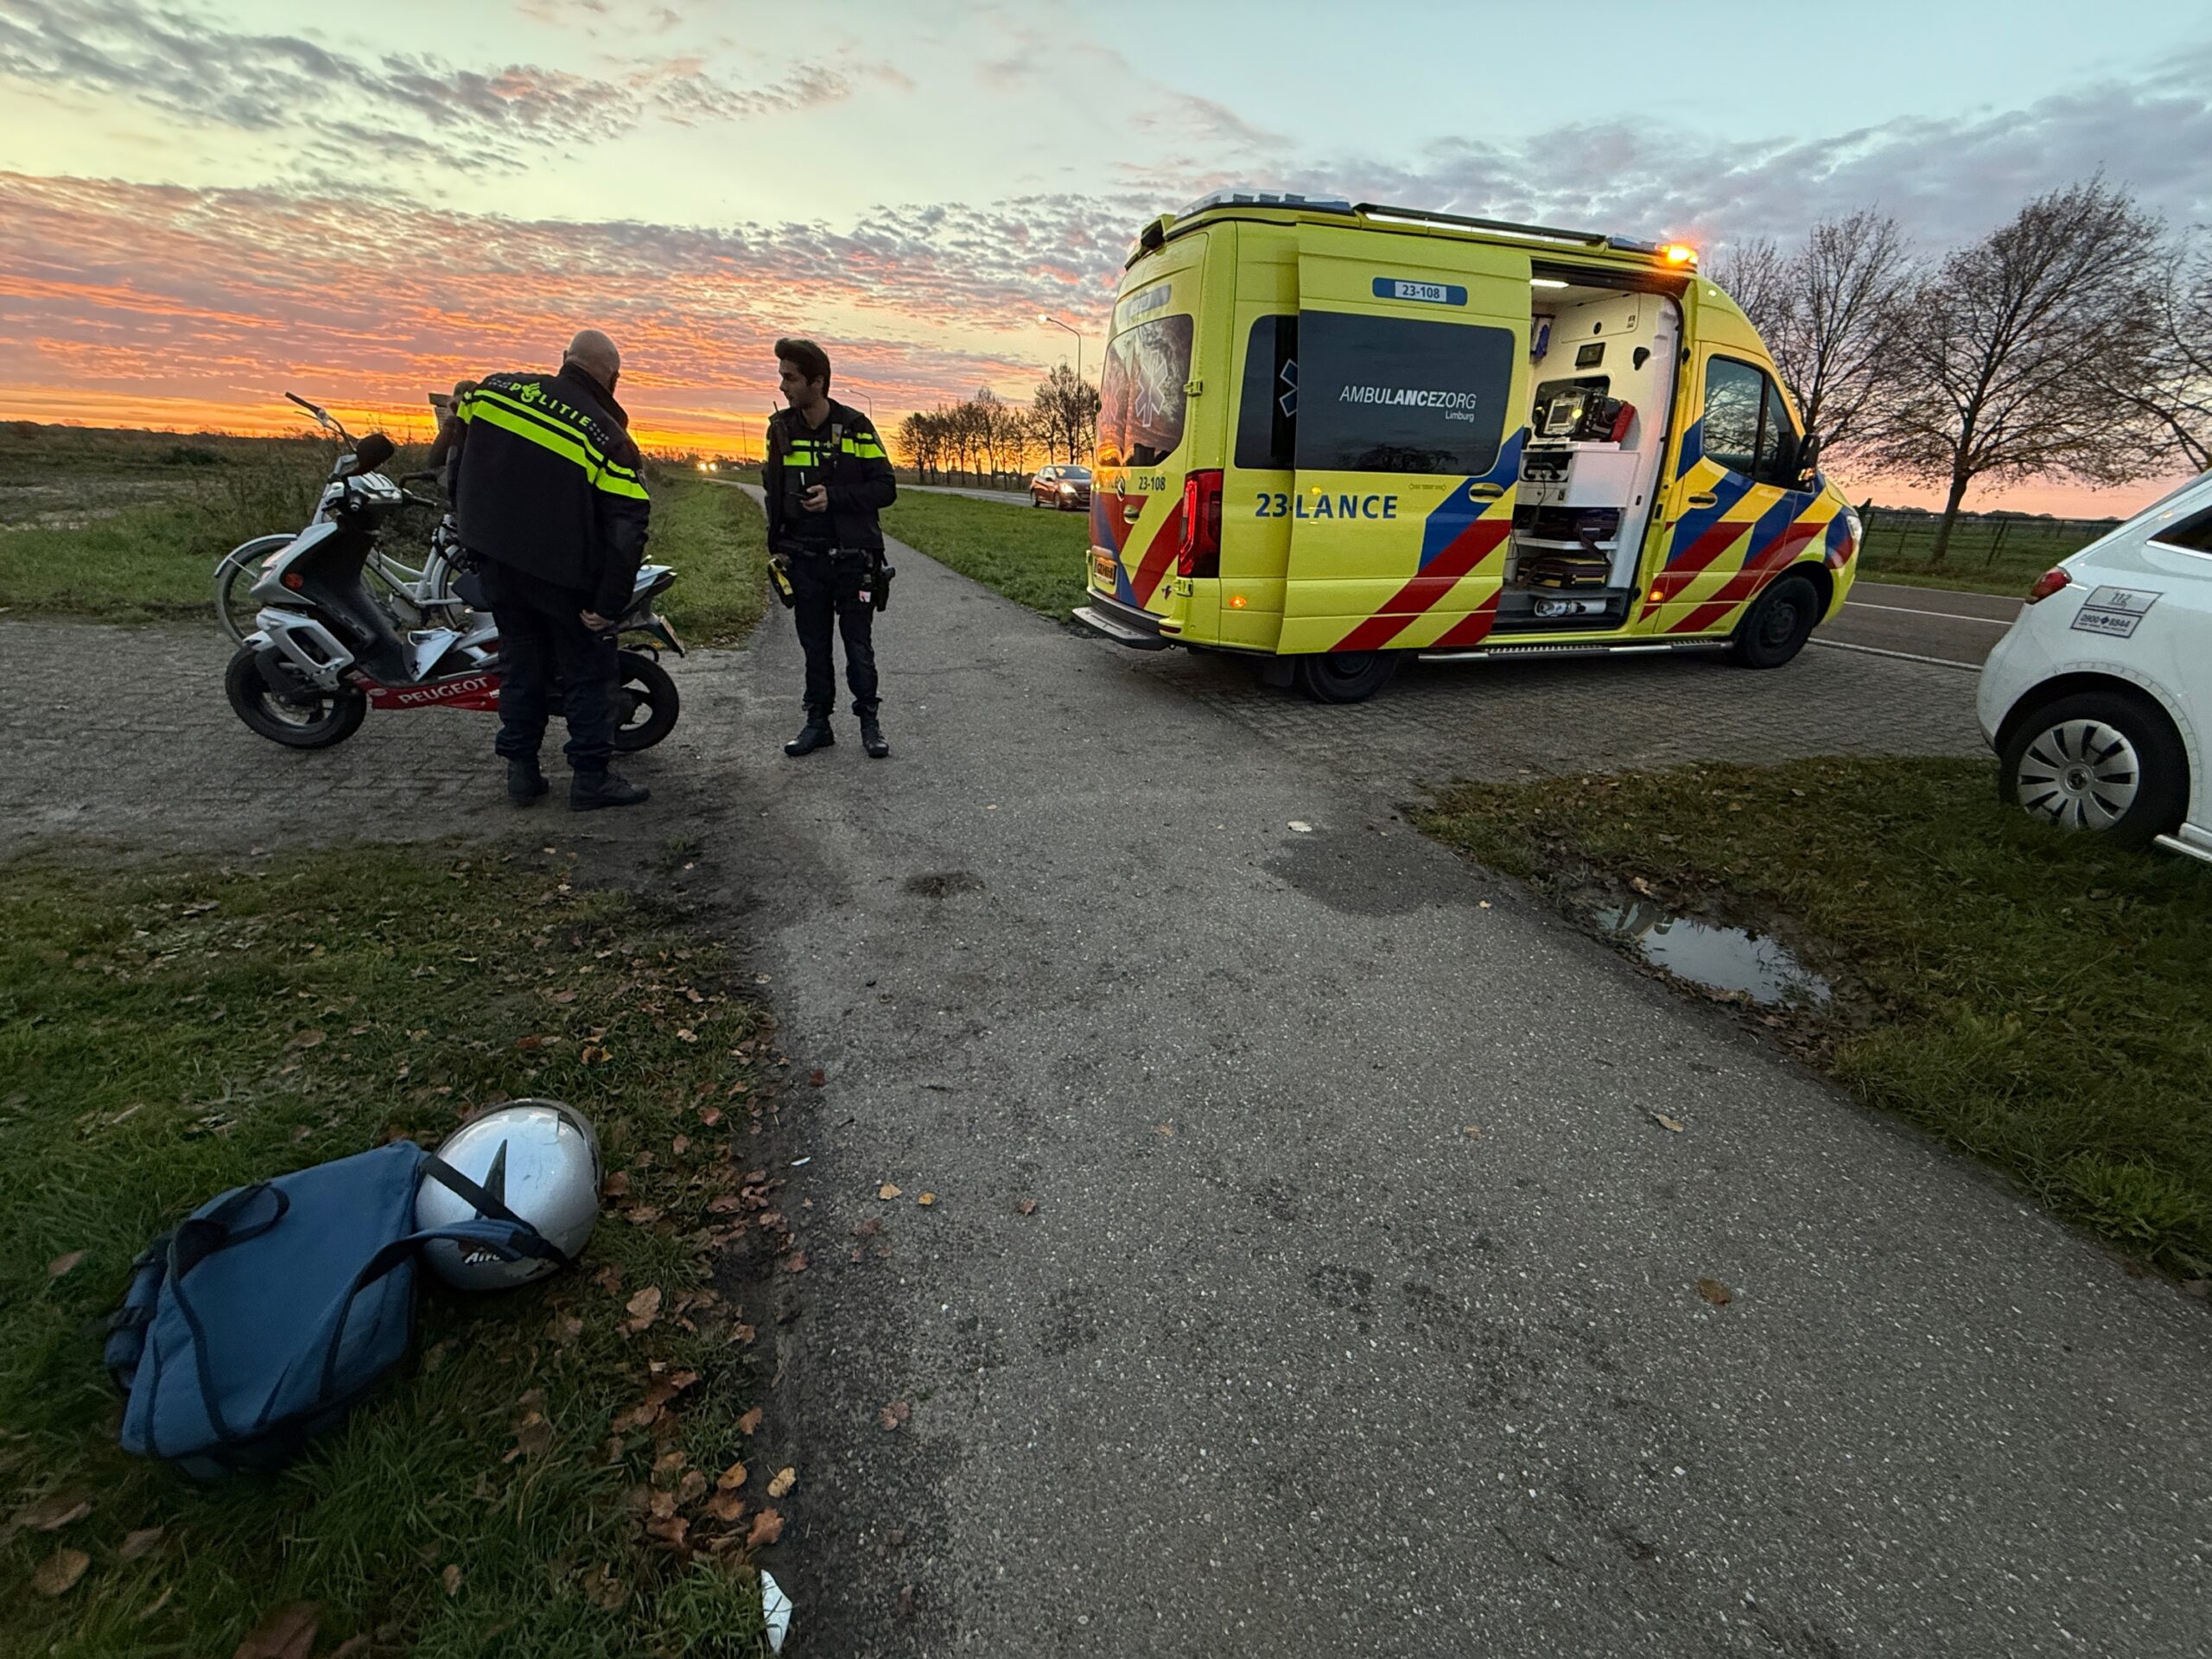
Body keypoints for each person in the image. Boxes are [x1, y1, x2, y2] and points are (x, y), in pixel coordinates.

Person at [448, 329, 652, 810]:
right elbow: (627, 527)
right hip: (565, 578)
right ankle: (590, 777)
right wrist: (608, 604)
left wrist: (466, 526)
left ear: (565, 359)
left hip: (498, 565)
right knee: (587, 671)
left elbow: (455, 460)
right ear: (613, 378)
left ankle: (521, 772)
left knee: (521, 667)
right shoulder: (606, 435)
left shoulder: (493, 391)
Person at [762, 338, 897, 759]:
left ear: (817, 382)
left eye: (791, 377)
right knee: (814, 647)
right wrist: (779, 548)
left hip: (853, 558)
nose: (783, 385)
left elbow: (885, 488)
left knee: (858, 644)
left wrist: (833, 497)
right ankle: (817, 723)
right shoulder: (780, 429)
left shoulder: (856, 426)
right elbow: (773, 493)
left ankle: (869, 724)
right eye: (782, 376)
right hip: (804, 558)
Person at [427, 378, 479, 494]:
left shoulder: (481, 433)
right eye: (458, 409)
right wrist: (450, 422)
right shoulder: (454, 430)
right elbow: (435, 463)